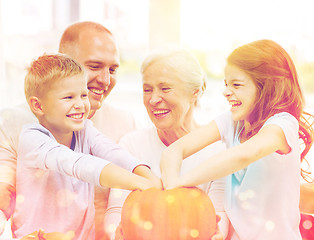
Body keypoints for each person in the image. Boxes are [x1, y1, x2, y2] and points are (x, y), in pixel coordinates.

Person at [160, 40, 314, 239]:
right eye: (226, 84)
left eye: (236, 85)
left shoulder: (282, 126)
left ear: (266, 86)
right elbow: (175, 150)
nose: (226, 92)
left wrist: (182, 182)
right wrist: (172, 187)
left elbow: (243, 155)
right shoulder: (233, 121)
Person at [0, 22, 140, 239]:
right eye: (94, 66)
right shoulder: (16, 125)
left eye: (112, 70)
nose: (105, 80)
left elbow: (121, 200)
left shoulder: (124, 122)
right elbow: (3, 192)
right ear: (65, 63)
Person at [12, 53, 159, 239]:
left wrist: (147, 174)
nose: (80, 104)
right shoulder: (32, 139)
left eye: (83, 95)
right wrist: (138, 183)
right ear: (38, 106)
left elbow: (112, 152)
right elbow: (79, 165)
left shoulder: (85, 130)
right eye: (68, 98)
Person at [104, 48, 228, 240]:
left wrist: (219, 234)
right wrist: (115, 235)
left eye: (165, 88)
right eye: (147, 89)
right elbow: (116, 211)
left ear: (194, 93)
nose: (153, 99)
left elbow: (219, 215)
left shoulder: (219, 150)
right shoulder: (131, 145)